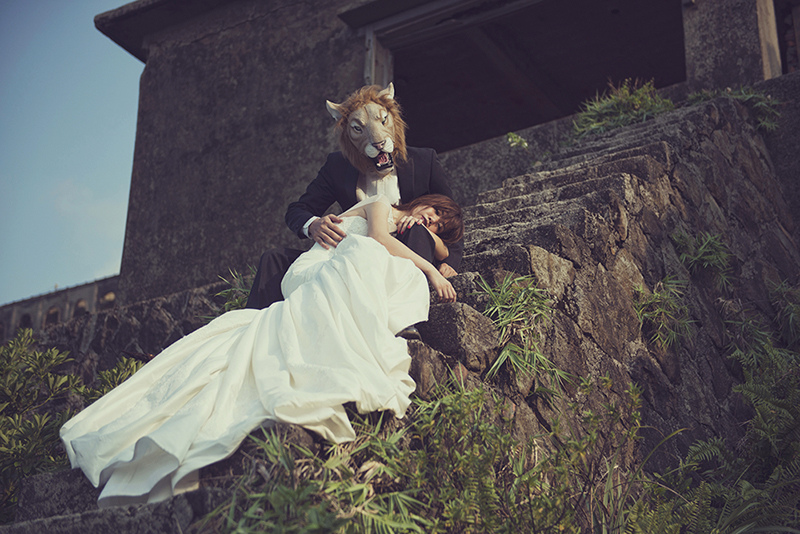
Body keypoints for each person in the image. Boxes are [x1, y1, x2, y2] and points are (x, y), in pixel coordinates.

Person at [60, 193, 464, 507]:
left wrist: (433, 243)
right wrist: (430, 267)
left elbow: (439, 248)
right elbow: (377, 237)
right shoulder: (382, 207)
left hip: (339, 269)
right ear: (419, 201)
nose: (432, 221)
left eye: (440, 225)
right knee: (364, 254)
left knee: (353, 275)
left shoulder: (415, 231)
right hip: (315, 268)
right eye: (433, 212)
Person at [246, 83, 463, 317]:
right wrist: (314, 224)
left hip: (401, 249)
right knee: (274, 259)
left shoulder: (423, 160)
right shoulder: (337, 167)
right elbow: (298, 209)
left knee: (416, 230)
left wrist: (450, 261)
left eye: (383, 121)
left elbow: (450, 212)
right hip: (348, 251)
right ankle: (253, 324)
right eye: (358, 128)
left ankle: (403, 317)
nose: (378, 140)